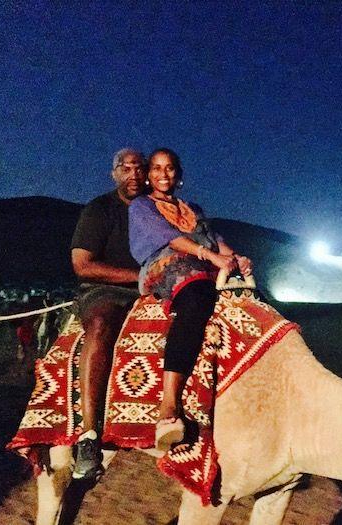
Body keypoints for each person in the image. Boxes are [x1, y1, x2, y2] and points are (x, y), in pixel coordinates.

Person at [128, 147, 253, 452]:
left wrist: (236, 258)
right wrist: (210, 256)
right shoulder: (141, 206)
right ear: (148, 174)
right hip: (166, 265)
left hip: (205, 262)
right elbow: (168, 239)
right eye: (156, 168)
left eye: (169, 168)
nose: (163, 174)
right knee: (196, 299)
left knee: (251, 303)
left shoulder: (192, 208)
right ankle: (169, 406)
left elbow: (215, 240)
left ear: (178, 174)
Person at [69, 148, 146, 479]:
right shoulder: (99, 210)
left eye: (138, 168)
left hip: (153, 289)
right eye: (124, 168)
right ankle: (88, 435)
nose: (132, 174)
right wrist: (138, 277)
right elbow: (82, 265)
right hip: (106, 291)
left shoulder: (158, 210)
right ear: (114, 174)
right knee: (100, 326)